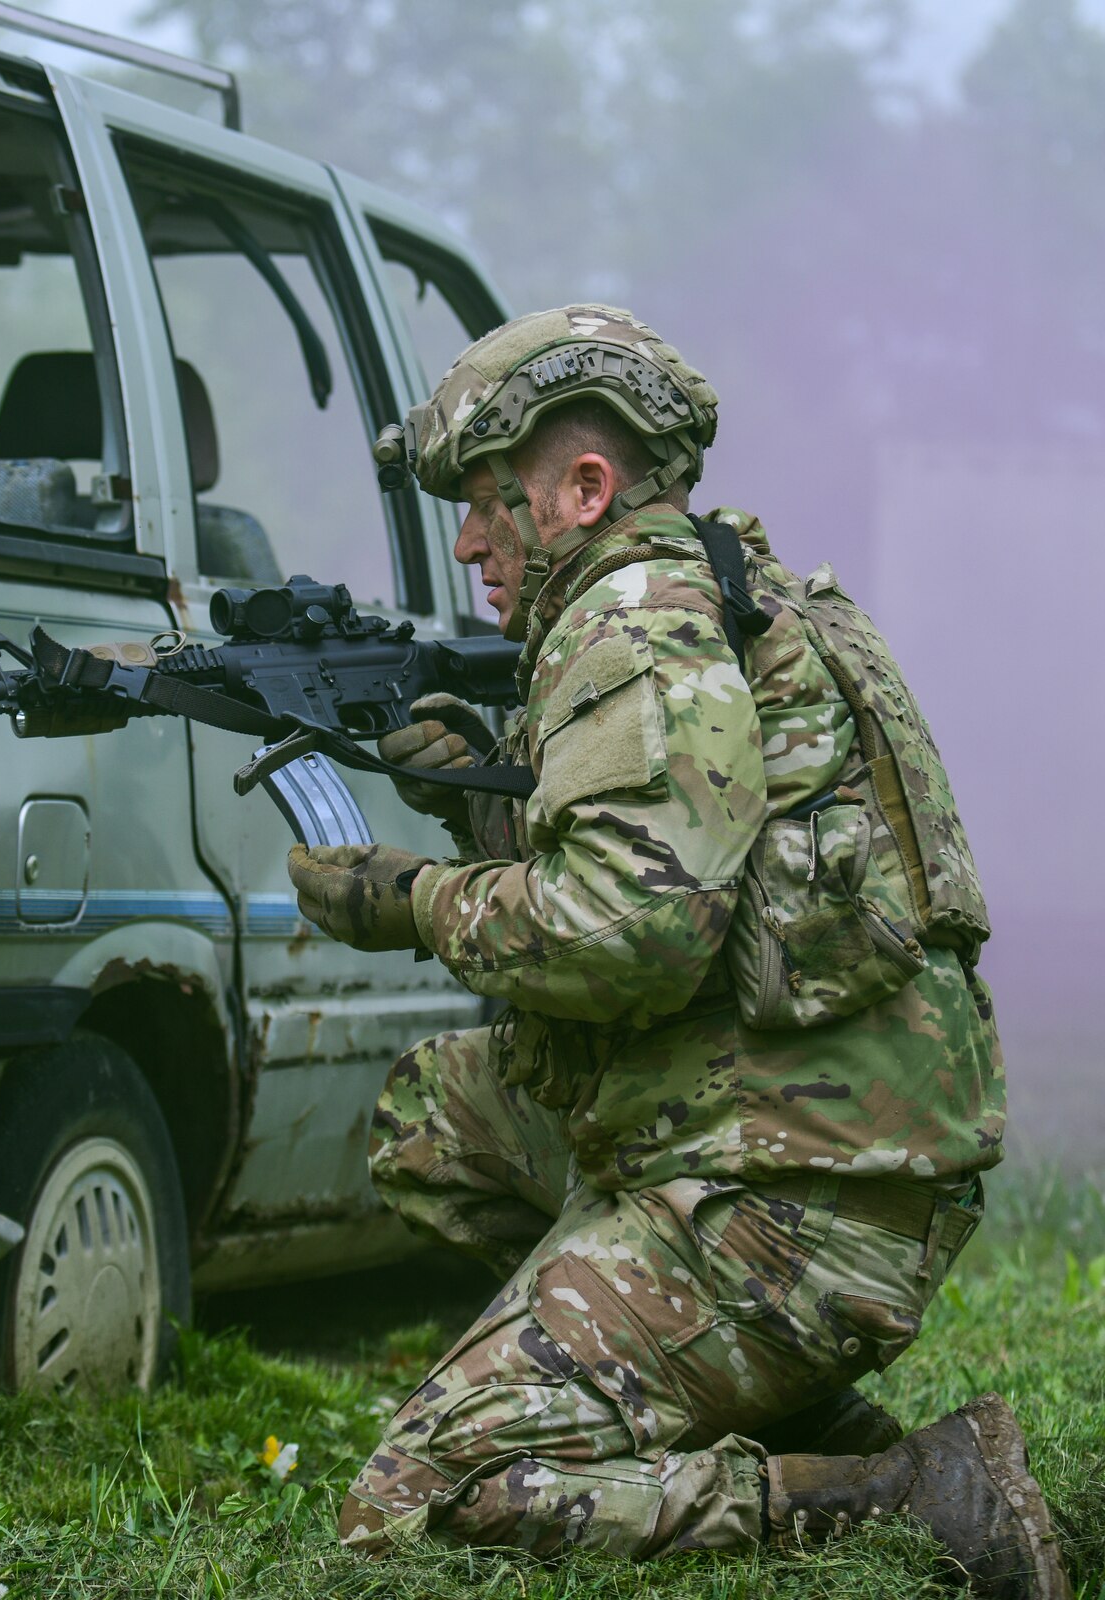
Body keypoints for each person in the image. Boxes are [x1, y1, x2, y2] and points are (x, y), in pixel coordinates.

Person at [287, 305, 1067, 1598]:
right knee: (436, 1119)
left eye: (489, 502)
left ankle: (903, 1493)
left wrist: (410, 898)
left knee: (423, 1500)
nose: (470, 541)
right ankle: (749, 1405)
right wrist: (474, 803)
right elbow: (688, 867)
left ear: (584, 486)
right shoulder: (703, 594)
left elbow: (631, 937)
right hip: (815, 1142)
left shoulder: (634, 624)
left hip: (796, 1204)